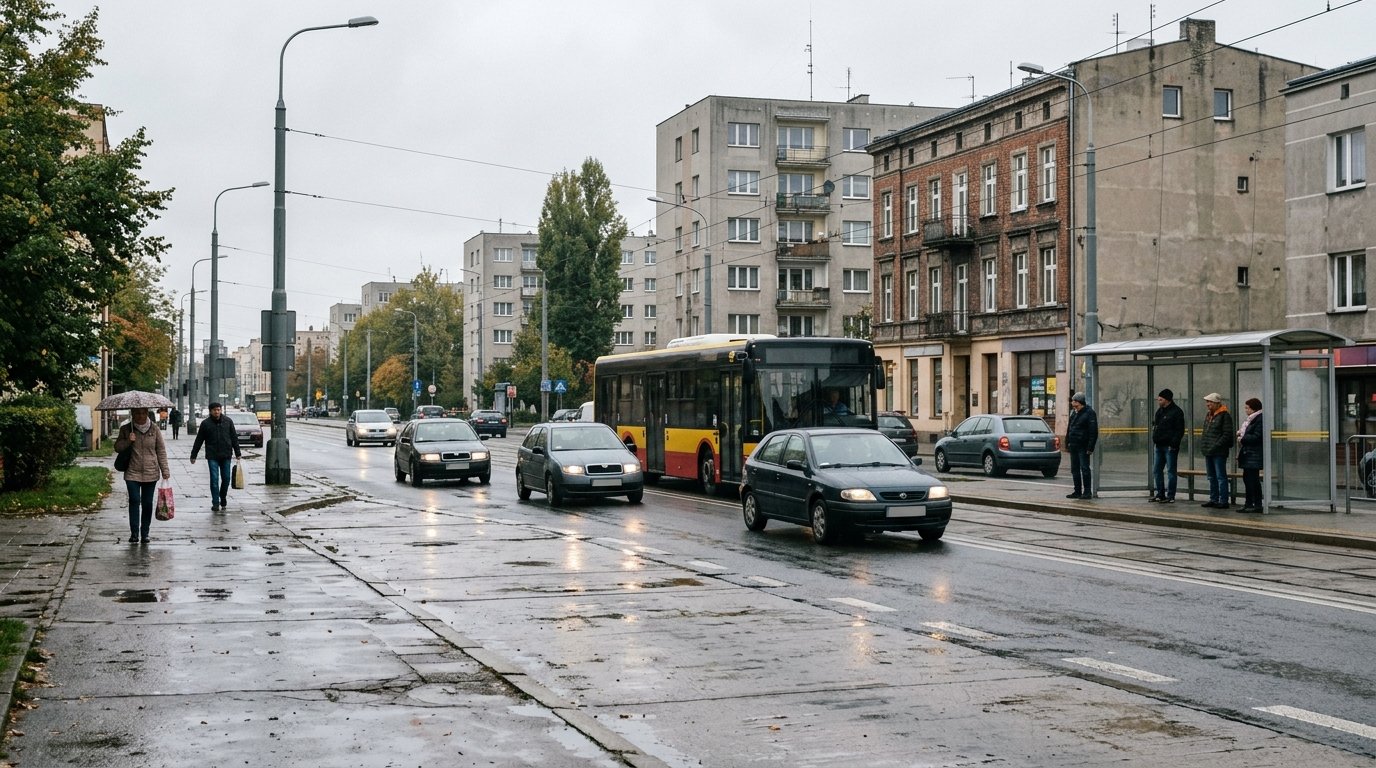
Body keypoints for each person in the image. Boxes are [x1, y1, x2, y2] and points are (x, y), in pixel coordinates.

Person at [113, 407, 171, 543]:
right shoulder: (126, 429)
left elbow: (161, 450)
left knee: (147, 503)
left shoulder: (154, 429)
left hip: (151, 472)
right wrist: (128, 440)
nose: (140, 415)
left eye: (143, 413)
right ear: (132, 414)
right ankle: (134, 533)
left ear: (147, 414)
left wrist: (165, 471)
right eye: (137, 413)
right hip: (132, 472)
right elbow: (117, 447)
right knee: (134, 500)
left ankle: (145, 533)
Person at [190, 402, 242, 512]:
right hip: (212, 455)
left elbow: (234, 438)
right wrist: (193, 455)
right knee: (214, 479)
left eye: (218, 409)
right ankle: (215, 502)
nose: (217, 412)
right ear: (210, 411)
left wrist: (238, 453)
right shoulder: (205, 424)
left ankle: (222, 496)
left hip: (226, 454)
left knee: (226, 478)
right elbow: (199, 440)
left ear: (221, 410)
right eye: (214, 410)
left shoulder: (228, 421)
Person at [1199, 392, 1235, 509]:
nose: (1207, 404)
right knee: (1211, 476)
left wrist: (1215, 446)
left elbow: (1227, 434)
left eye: (1209, 402)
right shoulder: (1209, 415)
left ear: (1216, 403)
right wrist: (1204, 446)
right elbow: (1205, 432)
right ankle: (1213, 499)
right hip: (1209, 451)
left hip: (1219, 452)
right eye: (1207, 402)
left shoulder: (1225, 416)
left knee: (1220, 476)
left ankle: (1223, 500)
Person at [1149, 389, 1185, 503]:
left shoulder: (1176, 412)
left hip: (1170, 446)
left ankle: (1171, 495)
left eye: (1160, 399)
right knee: (1157, 470)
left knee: (1171, 471)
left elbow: (1179, 430)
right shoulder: (1160, 411)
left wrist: (1174, 444)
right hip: (1159, 445)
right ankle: (1160, 494)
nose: (1158, 401)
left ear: (1167, 400)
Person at [1064, 392, 1098, 499]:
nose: (1072, 403)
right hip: (1074, 445)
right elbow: (1070, 428)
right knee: (1075, 469)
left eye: (1074, 401)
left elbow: (1093, 431)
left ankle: (1087, 491)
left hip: (1083, 446)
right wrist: (1067, 442)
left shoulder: (1089, 413)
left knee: (1084, 468)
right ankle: (1077, 491)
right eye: (1072, 401)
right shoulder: (1074, 413)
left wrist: (1090, 447)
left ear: (1080, 402)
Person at [1237, 398, 1264, 512]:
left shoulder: (1259, 419)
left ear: (1254, 408)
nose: (1245, 410)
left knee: (1253, 480)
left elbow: (1257, 437)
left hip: (1254, 455)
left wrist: (1242, 438)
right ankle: (1249, 503)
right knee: (1247, 479)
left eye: (1247, 408)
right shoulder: (1252, 419)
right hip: (1248, 454)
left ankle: (1256, 504)